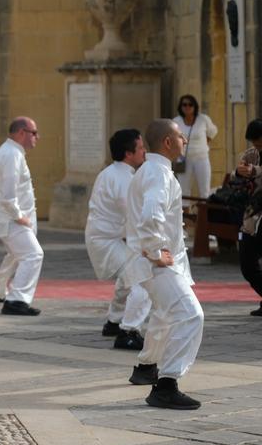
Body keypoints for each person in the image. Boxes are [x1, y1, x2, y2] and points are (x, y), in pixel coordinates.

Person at [123, 119, 204, 409]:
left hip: (157, 261)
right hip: (155, 263)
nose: (184, 140)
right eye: (180, 136)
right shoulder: (158, 173)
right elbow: (149, 217)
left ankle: (147, 367)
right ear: (168, 143)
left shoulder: (153, 170)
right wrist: (156, 252)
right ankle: (167, 384)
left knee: (164, 315)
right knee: (191, 315)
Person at [85, 129, 151, 350]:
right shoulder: (123, 178)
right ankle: (128, 332)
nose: (145, 151)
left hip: (106, 239)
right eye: (141, 148)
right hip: (106, 241)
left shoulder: (115, 173)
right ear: (128, 153)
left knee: (128, 278)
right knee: (141, 278)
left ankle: (114, 322)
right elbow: (134, 216)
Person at [0, 117, 43, 316]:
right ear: (21, 133)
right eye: (34, 133)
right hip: (8, 218)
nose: (37, 137)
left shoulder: (13, 152)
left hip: (11, 217)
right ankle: (16, 301)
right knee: (33, 255)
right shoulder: (12, 155)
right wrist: (19, 217)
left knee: (16, 254)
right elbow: (8, 195)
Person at [235, 119, 262, 316]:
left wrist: (256, 172)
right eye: (254, 141)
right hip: (251, 216)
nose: (257, 145)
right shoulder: (251, 154)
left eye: (259, 141)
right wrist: (239, 172)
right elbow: (236, 174)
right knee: (247, 263)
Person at [172, 94, 218, 202]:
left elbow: (213, 131)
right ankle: (185, 217)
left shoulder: (203, 119)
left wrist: (205, 143)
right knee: (184, 190)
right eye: (184, 104)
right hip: (183, 159)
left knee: (204, 190)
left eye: (190, 104)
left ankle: (203, 216)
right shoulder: (176, 121)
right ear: (181, 106)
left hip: (201, 157)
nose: (187, 107)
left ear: (195, 106)